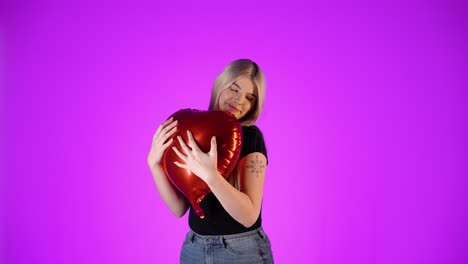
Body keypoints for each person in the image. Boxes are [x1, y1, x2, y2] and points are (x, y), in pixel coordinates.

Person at [147, 59, 274, 263]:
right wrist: (154, 164)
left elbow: (249, 216)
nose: (239, 100)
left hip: (241, 251)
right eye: (234, 89)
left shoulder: (250, 137)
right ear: (221, 84)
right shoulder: (195, 130)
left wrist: (211, 176)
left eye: (249, 97)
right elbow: (179, 209)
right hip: (194, 248)